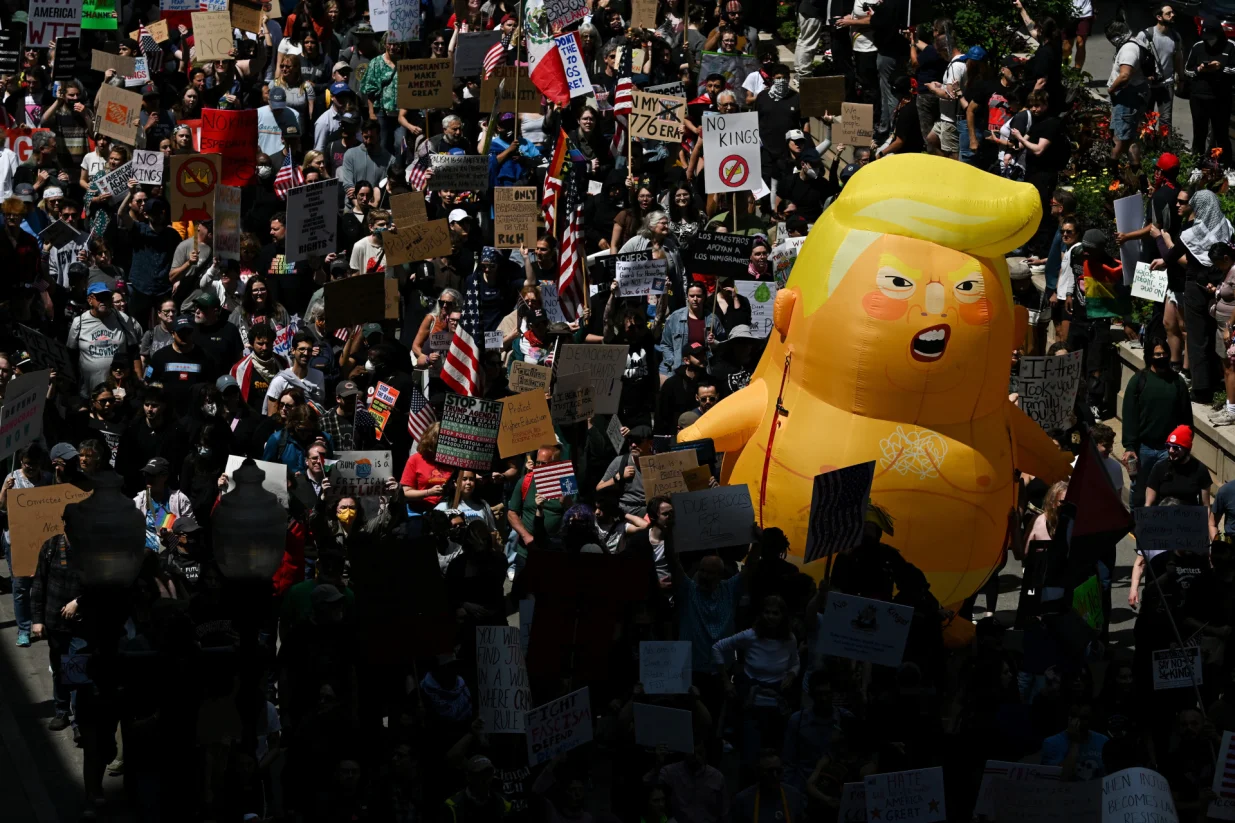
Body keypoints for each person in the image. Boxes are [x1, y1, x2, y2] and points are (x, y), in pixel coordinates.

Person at [1122, 338, 1192, 507]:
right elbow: (1130, 416)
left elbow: (1186, 420)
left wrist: (1186, 446)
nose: (1161, 357)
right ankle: (1137, 526)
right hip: (1143, 449)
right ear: (1150, 356)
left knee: (1166, 490)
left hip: (1168, 449)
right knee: (1139, 489)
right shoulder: (1138, 381)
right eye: (1157, 354)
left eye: (1164, 353)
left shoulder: (1177, 382)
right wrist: (1130, 446)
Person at [0, 444, 52, 646]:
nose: (30, 468)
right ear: (21, 462)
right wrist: (5, 490)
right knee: (21, 587)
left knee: (42, 584)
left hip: (41, 541)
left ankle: (41, 623)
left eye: (34, 465)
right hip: (17, 542)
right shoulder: (12, 477)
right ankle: (23, 629)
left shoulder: (47, 479)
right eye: (27, 464)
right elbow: (2, 508)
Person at [1183, 18, 1235, 164]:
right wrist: (1199, 69)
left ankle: (1225, 165)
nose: (1209, 41)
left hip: (1221, 97)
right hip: (1199, 97)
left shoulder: (1230, 47)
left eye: (1211, 37)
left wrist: (1221, 68)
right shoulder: (1198, 46)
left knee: (1221, 133)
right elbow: (1187, 70)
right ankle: (1196, 163)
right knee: (1199, 132)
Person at [1106, 20, 1150, 167]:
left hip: (1127, 97)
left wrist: (1111, 90)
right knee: (1129, 137)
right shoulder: (1133, 44)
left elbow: (1125, 75)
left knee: (1120, 137)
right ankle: (1137, 172)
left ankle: (1112, 170)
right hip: (1130, 96)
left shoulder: (1129, 49)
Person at [1145, 425, 1213, 510]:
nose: (1171, 450)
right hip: (1163, 516)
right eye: (1168, 446)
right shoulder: (1159, 468)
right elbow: (1148, 504)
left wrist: (1208, 523)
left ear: (1186, 449)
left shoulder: (1199, 470)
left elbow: (1205, 506)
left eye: (1175, 448)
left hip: (1189, 518)